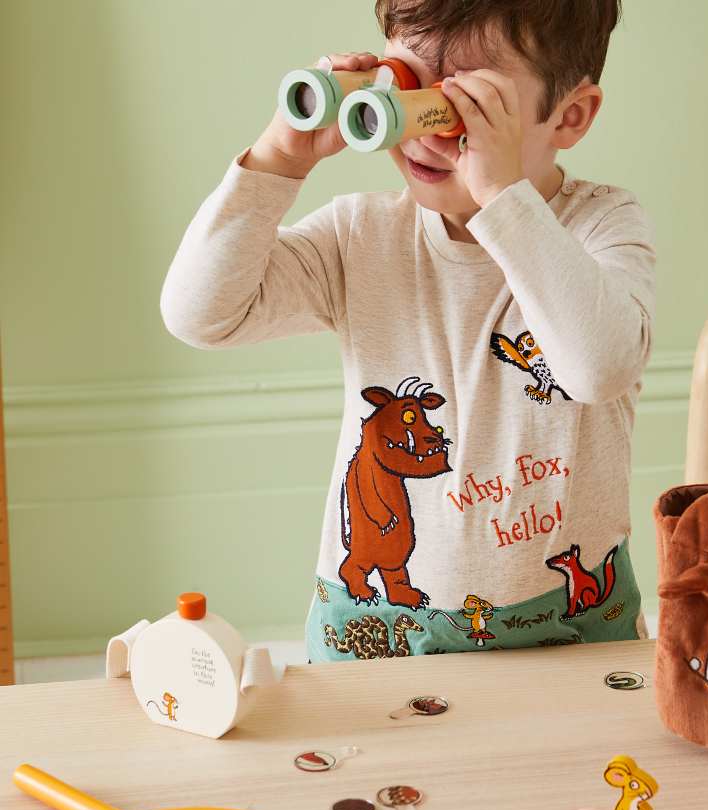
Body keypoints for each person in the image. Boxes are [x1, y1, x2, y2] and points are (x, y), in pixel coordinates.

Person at [161, 0, 655, 662]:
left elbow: (598, 365)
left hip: (567, 625)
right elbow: (201, 314)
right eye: (409, 89)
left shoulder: (600, 227)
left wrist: (503, 196)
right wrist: (281, 158)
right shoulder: (360, 236)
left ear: (568, 116)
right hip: (378, 624)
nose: (426, 133)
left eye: (471, 110)